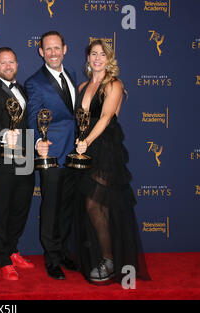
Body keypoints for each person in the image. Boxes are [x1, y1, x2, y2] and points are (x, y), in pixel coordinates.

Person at [73, 39, 150, 284]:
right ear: (88, 58)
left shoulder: (114, 84)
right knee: (97, 207)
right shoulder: (82, 86)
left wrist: (86, 141)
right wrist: (79, 143)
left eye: (102, 54)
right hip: (85, 152)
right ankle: (103, 257)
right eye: (93, 53)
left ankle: (109, 259)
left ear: (109, 59)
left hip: (105, 150)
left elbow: (105, 117)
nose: (97, 58)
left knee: (95, 205)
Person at [25, 31, 78, 280]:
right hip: (52, 153)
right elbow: (33, 115)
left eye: (57, 47)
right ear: (41, 52)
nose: (53, 52)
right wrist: (38, 141)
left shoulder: (72, 75)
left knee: (68, 207)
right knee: (51, 207)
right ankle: (51, 258)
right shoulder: (35, 82)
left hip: (74, 154)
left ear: (64, 49)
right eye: (48, 49)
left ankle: (64, 251)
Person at [0, 47, 35, 281]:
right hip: (0, 159)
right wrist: (4, 135)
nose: (8, 66)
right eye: (3, 63)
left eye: (11, 62)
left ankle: (13, 250)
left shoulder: (23, 90)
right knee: (1, 210)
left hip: (25, 159)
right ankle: (3, 259)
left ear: (17, 64)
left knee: (20, 208)